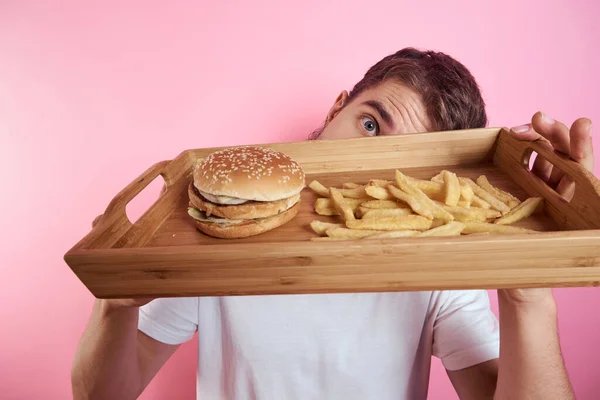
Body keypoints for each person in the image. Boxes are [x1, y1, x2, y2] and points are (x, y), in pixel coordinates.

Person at [72, 48, 593, 400]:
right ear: (337, 107)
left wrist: (529, 293)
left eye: (404, 156)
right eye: (370, 124)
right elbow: (104, 392)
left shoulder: (441, 262)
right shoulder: (223, 224)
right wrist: (114, 304)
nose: (368, 163)